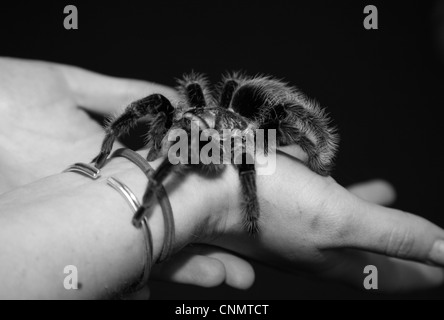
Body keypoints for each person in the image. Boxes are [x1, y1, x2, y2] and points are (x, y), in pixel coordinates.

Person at [0, 57, 442, 299]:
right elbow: (166, 127)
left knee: (270, 126)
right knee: (158, 102)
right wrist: (110, 159)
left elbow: (246, 161)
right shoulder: (185, 115)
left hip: (243, 125)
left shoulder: (247, 131)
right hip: (216, 115)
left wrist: (253, 206)